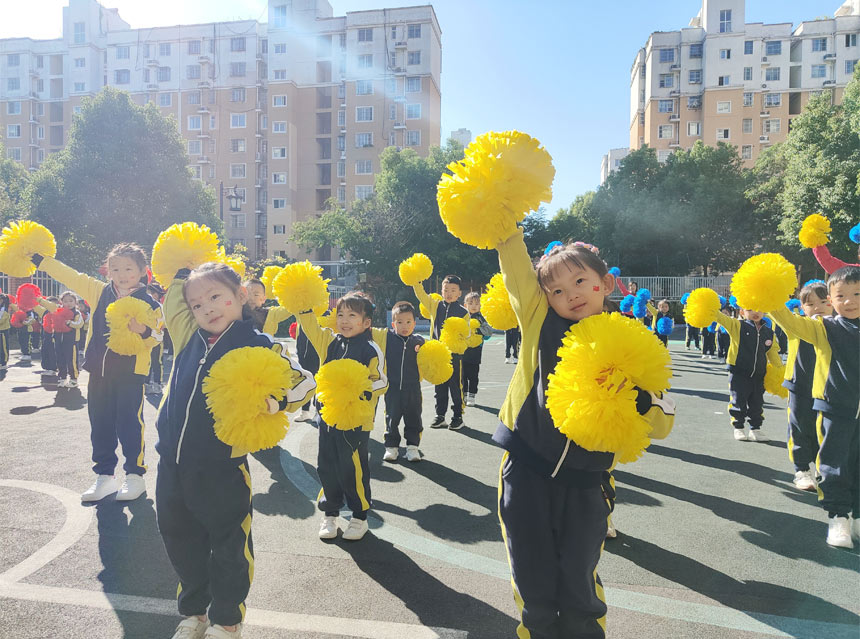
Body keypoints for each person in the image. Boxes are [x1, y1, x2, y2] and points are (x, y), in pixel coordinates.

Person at [493, 229, 675, 638]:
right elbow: (518, 273)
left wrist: (640, 399)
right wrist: (505, 225)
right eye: (555, 290)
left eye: (579, 281)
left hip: (589, 483)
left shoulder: (636, 341)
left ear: (605, 283)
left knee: (578, 577)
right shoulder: (540, 324)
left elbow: (663, 421)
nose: (570, 295)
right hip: (526, 471)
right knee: (531, 573)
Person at [157, 261, 315, 639]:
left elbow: (304, 382)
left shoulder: (255, 342)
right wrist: (183, 270)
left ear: (240, 296)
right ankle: (194, 611)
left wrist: (275, 400)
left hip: (222, 467)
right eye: (196, 304)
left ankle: (227, 619)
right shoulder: (186, 337)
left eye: (216, 297)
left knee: (229, 544)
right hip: (173, 464)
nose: (207, 308)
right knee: (179, 537)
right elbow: (171, 304)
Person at [31, 243, 163, 502]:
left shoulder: (150, 303)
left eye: (128, 268)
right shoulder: (99, 291)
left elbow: (159, 336)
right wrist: (39, 260)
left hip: (131, 373)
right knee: (99, 423)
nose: (122, 274)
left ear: (142, 271)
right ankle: (105, 476)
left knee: (129, 423)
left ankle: (135, 476)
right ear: (108, 271)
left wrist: (143, 331)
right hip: (98, 371)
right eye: (115, 268)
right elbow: (70, 275)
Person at [769, 265, 859, 548]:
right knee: (835, 464)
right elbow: (788, 321)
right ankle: (839, 517)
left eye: (856, 293)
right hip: (835, 409)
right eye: (841, 295)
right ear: (831, 300)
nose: (849, 301)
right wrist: (769, 296)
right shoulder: (824, 328)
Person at [296, 292, 388, 542]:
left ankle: (359, 516)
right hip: (326, 416)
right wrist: (302, 303)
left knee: (352, 466)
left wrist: (360, 390)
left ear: (366, 322)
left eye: (352, 315)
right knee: (326, 464)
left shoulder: (371, 349)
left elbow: (381, 381)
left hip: (355, 420)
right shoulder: (330, 342)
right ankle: (330, 514)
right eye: (340, 314)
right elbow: (310, 326)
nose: (344, 320)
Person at [783, 282, 831, 492]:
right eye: (810, 303)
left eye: (823, 301)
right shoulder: (797, 325)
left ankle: (824, 469)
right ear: (802, 307)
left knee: (827, 429)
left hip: (829, 388)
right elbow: (780, 315)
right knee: (799, 426)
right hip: (799, 385)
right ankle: (801, 469)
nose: (818, 307)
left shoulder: (839, 327)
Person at [714, 305, 782, 442]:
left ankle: (755, 429)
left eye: (758, 308)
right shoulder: (737, 326)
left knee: (757, 402)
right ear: (742, 312)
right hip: (739, 372)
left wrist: (780, 370)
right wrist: (709, 307)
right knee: (738, 400)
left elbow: (772, 353)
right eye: (750, 309)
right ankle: (738, 427)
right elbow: (721, 318)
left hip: (759, 374)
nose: (755, 312)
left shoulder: (769, 332)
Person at [411, 274, 469, 430]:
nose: (449, 293)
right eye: (446, 289)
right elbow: (422, 296)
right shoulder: (435, 306)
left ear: (459, 293)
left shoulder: (464, 312)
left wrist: (460, 340)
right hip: (436, 355)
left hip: (454, 356)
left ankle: (458, 416)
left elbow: (466, 334)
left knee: (456, 387)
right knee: (439, 387)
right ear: (442, 291)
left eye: (453, 290)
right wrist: (416, 282)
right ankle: (440, 415)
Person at [376, 301, 425, 463]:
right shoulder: (387, 338)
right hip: (393, 387)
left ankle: (412, 447)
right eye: (400, 322)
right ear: (393, 324)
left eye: (408, 322)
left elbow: (432, 359)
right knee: (392, 417)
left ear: (414, 323)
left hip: (413, 388)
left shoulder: (419, 342)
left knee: (414, 417)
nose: (404, 326)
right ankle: (391, 447)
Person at [462, 292, 492, 406]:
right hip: (463, 351)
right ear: (465, 305)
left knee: (473, 376)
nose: (473, 306)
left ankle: (472, 395)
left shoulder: (481, 318)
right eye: (470, 303)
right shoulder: (463, 317)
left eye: (476, 303)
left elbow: (489, 334)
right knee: (463, 375)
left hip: (475, 353)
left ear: (480, 305)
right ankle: (463, 394)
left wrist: (479, 329)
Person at [54, 291, 85, 388]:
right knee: (60, 360)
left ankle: (73, 379)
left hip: (71, 342)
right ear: (61, 302)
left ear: (75, 302)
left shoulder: (77, 313)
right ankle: (62, 378)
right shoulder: (58, 311)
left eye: (71, 301)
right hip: (59, 341)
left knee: (72, 360)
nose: (68, 303)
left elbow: (80, 324)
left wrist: (69, 323)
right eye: (66, 301)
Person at [39, 296, 59, 375]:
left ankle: (53, 368)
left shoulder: (56, 312)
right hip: (45, 335)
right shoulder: (45, 312)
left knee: (52, 351)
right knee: (45, 350)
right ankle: (47, 367)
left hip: (53, 335)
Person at [0, 293, 15, 371]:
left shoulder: (5, 309)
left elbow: (2, 320)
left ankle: (4, 362)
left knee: (3, 347)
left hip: (3, 330)